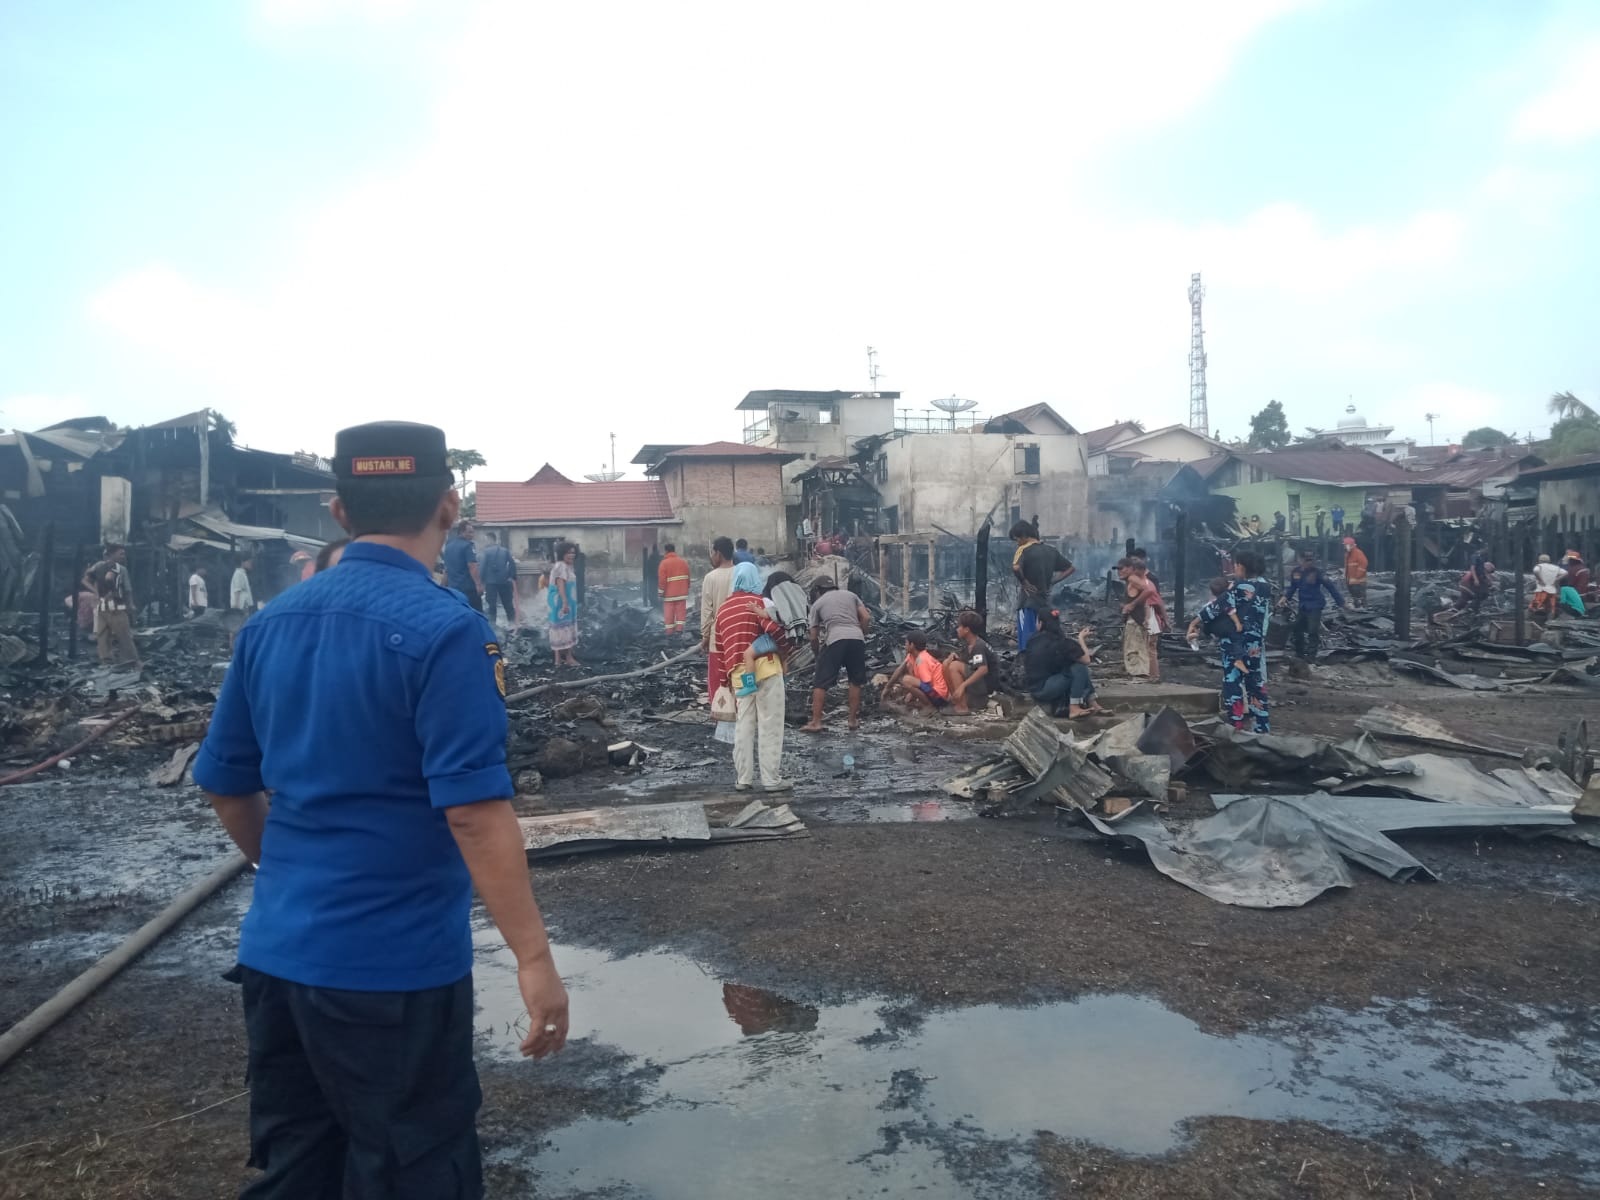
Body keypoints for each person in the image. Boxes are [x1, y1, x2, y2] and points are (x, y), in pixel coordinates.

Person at [192, 420, 568, 1198]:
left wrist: (285, 872)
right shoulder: (446, 630)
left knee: (299, 1166)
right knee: (412, 1169)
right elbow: (474, 812)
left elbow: (227, 784)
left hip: (278, 958)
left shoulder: (268, 625)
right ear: (449, 506)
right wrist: (533, 959)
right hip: (393, 973)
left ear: (337, 511)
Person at [715, 561, 791, 792]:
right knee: (770, 725)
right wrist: (785, 649)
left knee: (744, 727)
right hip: (767, 670)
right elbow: (777, 632)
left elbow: (720, 650)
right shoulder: (759, 603)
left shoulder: (723, 611)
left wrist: (723, 682)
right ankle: (770, 780)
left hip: (739, 676)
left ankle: (743, 779)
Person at [1189, 549, 1271, 733]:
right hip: (1255, 644)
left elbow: (1217, 606)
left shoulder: (1240, 588)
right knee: (1256, 684)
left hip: (1235, 643)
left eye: (1235, 564)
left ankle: (1236, 727)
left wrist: (1194, 623)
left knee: (1233, 683)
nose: (1234, 567)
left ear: (1241, 566)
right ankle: (1262, 729)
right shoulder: (1265, 588)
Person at [802, 578, 870, 732]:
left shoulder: (817, 604)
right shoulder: (851, 595)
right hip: (857, 638)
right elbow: (866, 617)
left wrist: (817, 653)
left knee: (820, 682)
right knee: (855, 681)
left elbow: (813, 636)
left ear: (818, 591)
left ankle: (816, 722)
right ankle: (852, 721)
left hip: (835, 639)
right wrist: (862, 633)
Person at [1023, 612, 1103, 718]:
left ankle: (1093, 704)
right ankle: (1074, 707)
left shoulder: (1032, 640)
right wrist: (1081, 638)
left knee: (1075, 668)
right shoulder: (1062, 642)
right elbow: (1086, 660)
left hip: (1035, 688)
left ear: (1041, 624)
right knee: (1080, 668)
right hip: (1044, 689)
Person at [1012, 520, 1074, 651]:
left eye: (1017, 539)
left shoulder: (1023, 549)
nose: (1017, 543)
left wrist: (1024, 582)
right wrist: (1052, 581)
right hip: (1045, 602)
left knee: (1026, 638)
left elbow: (1016, 568)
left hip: (1027, 602)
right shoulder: (1051, 550)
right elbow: (1070, 568)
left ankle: (1026, 663)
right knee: (1043, 636)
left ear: (1023, 536)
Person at [84, 544, 141, 669]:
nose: (123, 556)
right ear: (112, 554)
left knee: (102, 636)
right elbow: (127, 590)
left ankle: (106, 662)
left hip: (102, 607)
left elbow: (86, 579)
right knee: (124, 635)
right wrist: (130, 604)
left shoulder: (98, 566)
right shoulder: (121, 569)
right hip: (116, 607)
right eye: (121, 554)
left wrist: (95, 592)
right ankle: (132, 662)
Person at [1282, 551, 1344, 658]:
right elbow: (1292, 587)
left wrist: (1342, 603)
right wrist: (1284, 598)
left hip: (1315, 605)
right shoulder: (1296, 572)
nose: (1309, 563)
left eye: (1311, 560)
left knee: (1312, 631)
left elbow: (1331, 587)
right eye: (1306, 560)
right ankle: (1299, 654)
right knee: (1297, 629)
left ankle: (1311, 656)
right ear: (1299, 560)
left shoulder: (1318, 573)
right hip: (1303, 606)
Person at [699, 537, 736, 701]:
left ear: (719, 554)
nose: (711, 557)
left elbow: (707, 611)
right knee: (737, 674)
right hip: (739, 635)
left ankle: (720, 713)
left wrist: (705, 636)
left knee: (718, 678)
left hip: (718, 637)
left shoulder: (711, 577)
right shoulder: (740, 573)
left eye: (712, 553)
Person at [1119, 558, 1166, 681]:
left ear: (1131, 569)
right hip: (1144, 618)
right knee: (1146, 648)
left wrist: (1132, 605)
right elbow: (1147, 602)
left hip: (1137, 620)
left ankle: (1142, 675)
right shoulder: (1142, 581)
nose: (1119, 571)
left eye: (1121, 568)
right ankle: (1152, 676)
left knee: (1136, 648)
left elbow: (1150, 592)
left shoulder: (1133, 579)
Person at [943, 609, 997, 715]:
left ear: (967, 629)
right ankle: (957, 699)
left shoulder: (978, 646)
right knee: (946, 664)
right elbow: (967, 663)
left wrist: (962, 686)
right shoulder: (968, 645)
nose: (957, 629)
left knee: (954, 666)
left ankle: (962, 707)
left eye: (959, 626)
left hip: (985, 687)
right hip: (977, 685)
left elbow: (983, 669)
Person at [885, 631, 951, 711]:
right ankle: (925, 703)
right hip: (933, 692)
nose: (905, 645)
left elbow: (927, 684)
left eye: (906, 643)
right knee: (909, 667)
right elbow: (900, 669)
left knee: (906, 680)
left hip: (939, 696)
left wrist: (913, 694)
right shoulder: (912, 655)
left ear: (912, 645)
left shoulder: (922, 659)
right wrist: (887, 687)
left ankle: (929, 706)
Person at [547, 541, 581, 667]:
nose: (571, 555)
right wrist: (565, 603)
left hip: (561, 601)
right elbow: (560, 584)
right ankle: (568, 657)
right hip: (561, 601)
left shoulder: (565, 566)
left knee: (559, 627)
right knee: (563, 628)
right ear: (562, 554)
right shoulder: (561, 566)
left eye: (573, 552)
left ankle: (558, 659)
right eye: (568, 553)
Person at [480, 531, 517, 628]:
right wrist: (511, 576)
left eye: (485, 540)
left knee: (492, 605)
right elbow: (512, 564)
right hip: (504, 581)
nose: (485, 542)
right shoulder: (505, 551)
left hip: (491, 583)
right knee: (508, 604)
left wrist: (481, 581)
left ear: (490, 539)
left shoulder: (486, 552)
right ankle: (512, 624)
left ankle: (493, 626)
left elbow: (482, 567)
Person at [443, 519, 483, 611]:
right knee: (476, 615)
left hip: (453, 589)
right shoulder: (468, 545)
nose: (472, 535)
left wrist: (443, 586)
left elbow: (446, 569)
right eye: (469, 532)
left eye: (473, 532)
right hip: (468, 590)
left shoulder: (448, 547)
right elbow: (472, 566)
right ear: (461, 532)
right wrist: (478, 584)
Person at [658, 543, 691, 635]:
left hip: (669, 595)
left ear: (666, 551)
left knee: (669, 614)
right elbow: (688, 576)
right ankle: (679, 631)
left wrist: (660, 593)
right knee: (681, 613)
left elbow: (662, 580)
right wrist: (687, 587)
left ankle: (669, 632)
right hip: (681, 593)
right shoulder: (683, 562)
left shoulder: (663, 563)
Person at [1531, 553, 1565, 618]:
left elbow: (1535, 571)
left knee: (1535, 607)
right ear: (1549, 560)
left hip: (1541, 591)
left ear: (1539, 560)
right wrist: (1556, 579)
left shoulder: (1539, 566)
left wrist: (1540, 580)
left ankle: (1537, 622)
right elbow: (1565, 573)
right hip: (1552, 591)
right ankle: (1550, 622)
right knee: (1551, 608)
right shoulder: (1555, 567)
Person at [1343, 537, 1369, 609]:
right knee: (1355, 597)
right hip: (1351, 581)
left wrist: (1358, 575)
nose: (1344, 547)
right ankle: (1358, 610)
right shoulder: (1347, 554)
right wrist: (1346, 578)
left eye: (1345, 545)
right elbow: (1347, 567)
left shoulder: (1358, 553)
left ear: (1349, 545)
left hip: (1358, 582)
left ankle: (1364, 611)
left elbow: (1364, 563)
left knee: (1360, 597)